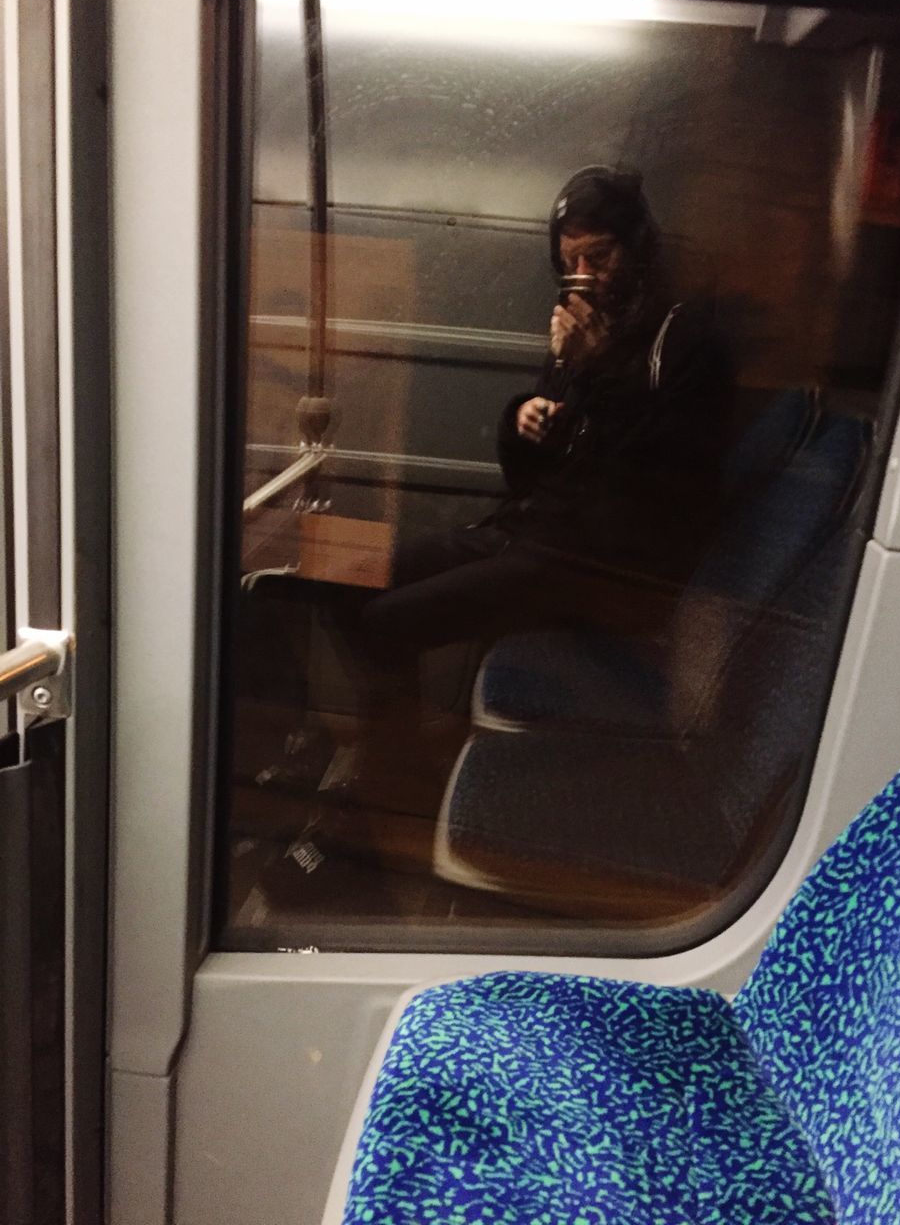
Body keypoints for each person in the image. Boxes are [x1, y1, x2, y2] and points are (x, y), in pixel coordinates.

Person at [273, 166, 735, 847]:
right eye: (569, 260)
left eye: (599, 257)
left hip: (602, 563)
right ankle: (398, 752)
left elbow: (652, 479)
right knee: (336, 569)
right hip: (531, 531)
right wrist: (525, 416)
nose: (583, 275)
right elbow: (530, 478)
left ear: (638, 248)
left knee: (388, 621)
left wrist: (593, 370)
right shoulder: (587, 330)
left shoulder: (685, 340)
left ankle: (394, 783)